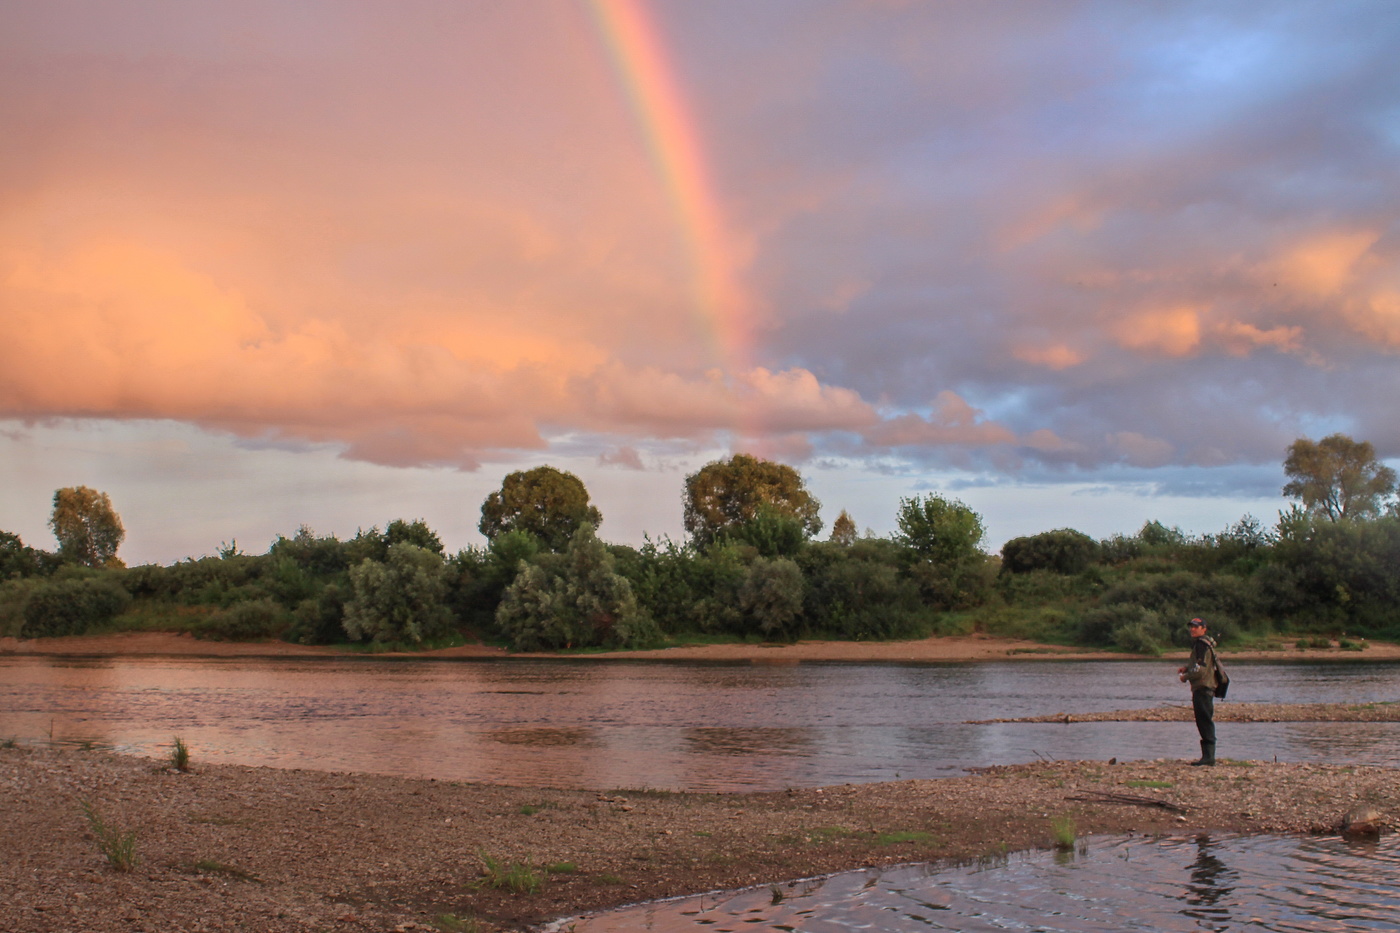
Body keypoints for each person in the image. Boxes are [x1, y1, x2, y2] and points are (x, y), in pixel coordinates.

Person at [1178, 617, 1219, 766]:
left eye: (1196, 627)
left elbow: (1200, 670)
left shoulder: (1201, 644)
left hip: (1203, 687)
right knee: (1204, 720)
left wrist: (1186, 677)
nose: (1192, 629)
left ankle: (1208, 758)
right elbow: (1201, 665)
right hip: (1206, 687)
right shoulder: (1205, 643)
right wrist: (1187, 667)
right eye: (1191, 627)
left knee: (1204, 721)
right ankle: (1208, 757)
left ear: (1204, 628)